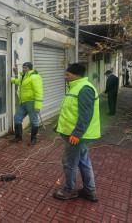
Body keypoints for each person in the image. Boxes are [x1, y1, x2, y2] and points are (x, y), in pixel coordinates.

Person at [53, 63, 100, 202]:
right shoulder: (77, 87)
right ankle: (89, 191)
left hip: (78, 136)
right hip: (78, 135)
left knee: (69, 162)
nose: (65, 77)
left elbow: (86, 115)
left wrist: (77, 134)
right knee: (83, 162)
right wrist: (59, 125)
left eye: (68, 75)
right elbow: (71, 112)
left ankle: (69, 190)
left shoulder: (84, 89)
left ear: (77, 75)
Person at [10, 62, 43, 145]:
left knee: (34, 121)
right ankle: (18, 137)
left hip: (31, 103)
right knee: (17, 118)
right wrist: (13, 80)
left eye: (26, 68)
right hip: (22, 102)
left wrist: (38, 106)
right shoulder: (24, 76)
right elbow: (19, 83)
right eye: (23, 67)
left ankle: (33, 139)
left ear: (30, 68)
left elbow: (39, 92)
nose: (24, 69)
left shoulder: (35, 77)